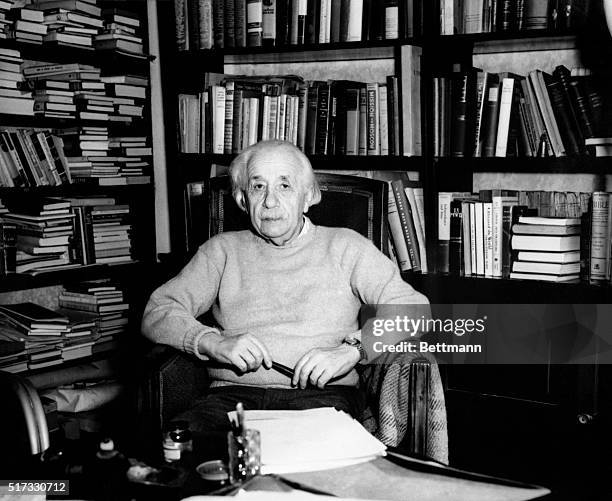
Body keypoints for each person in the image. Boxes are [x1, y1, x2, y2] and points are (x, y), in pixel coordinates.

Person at [141, 140, 429, 438]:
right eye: (257, 187)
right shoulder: (221, 251)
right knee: (180, 455)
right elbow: (157, 311)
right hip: (230, 400)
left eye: (285, 186)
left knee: (309, 467)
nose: (269, 202)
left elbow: (416, 311)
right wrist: (211, 341)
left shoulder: (347, 246)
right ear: (242, 200)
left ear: (309, 197)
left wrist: (354, 349)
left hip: (321, 399)